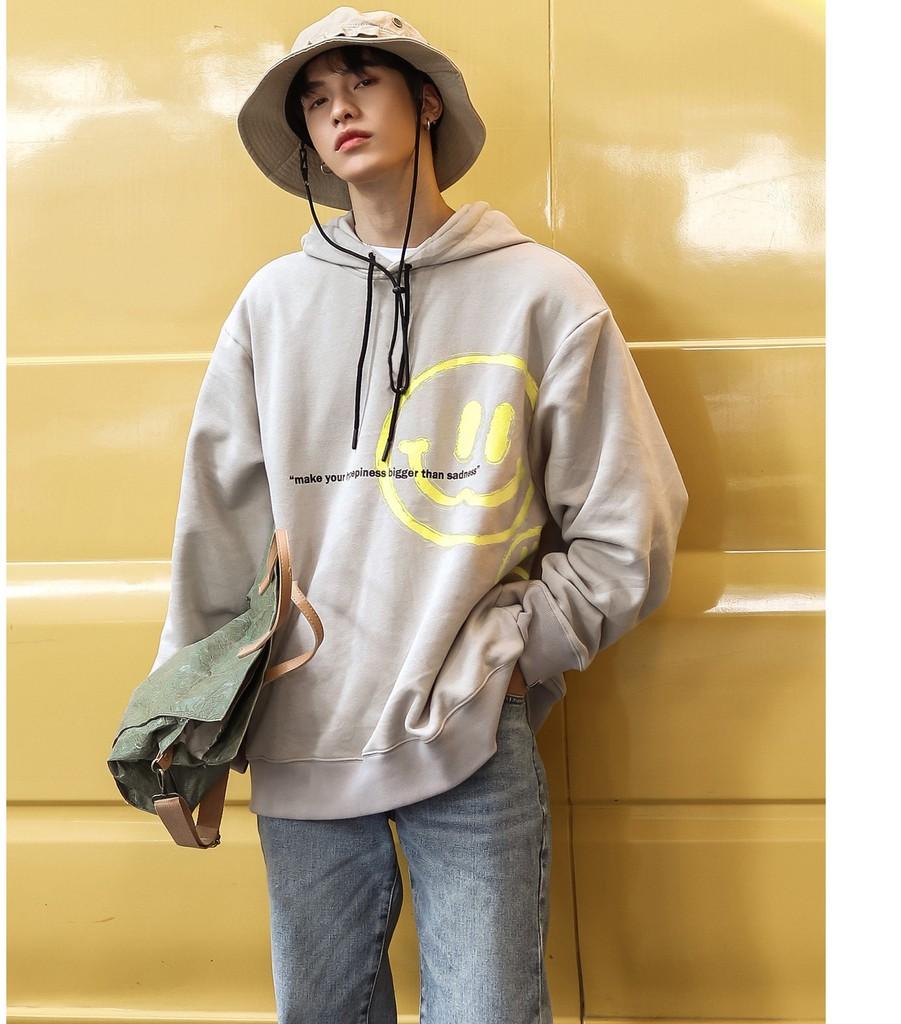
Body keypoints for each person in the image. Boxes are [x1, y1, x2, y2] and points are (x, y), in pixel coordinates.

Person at [150, 7, 689, 1022]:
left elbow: (632, 523)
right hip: (302, 740)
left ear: (426, 100)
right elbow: (217, 527)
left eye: (363, 81)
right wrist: (185, 715)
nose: (338, 110)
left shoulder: (541, 293)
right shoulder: (271, 307)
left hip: (466, 737)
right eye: (314, 99)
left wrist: (514, 652)